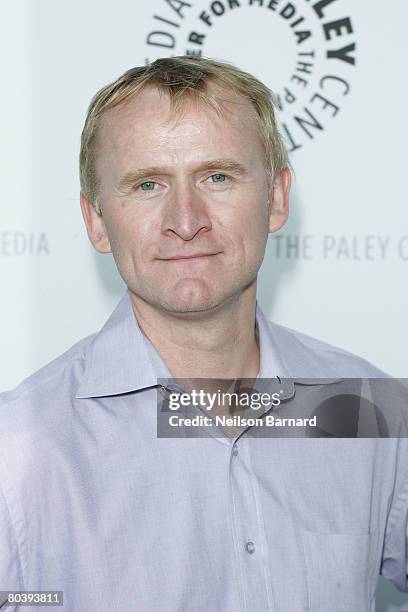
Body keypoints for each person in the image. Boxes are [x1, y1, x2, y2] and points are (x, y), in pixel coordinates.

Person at [0, 56, 407, 611]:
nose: (186, 219)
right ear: (96, 221)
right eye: (147, 184)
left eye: (217, 176)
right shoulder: (17, 453)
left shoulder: (371, 411)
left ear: (277, 198)